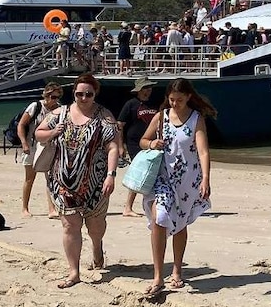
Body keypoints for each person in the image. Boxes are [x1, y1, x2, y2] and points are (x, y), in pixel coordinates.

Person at [35, 73, 119, 289]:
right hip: (62, 181)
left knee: (95, 226)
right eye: (79, 94)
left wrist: (111, 175)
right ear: (74, 93)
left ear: (95, 94)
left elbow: (113, 147)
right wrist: (54, 131)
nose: (83, 98)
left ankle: (97, 246)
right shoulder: (60, 113)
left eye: (88, 94)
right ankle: (74, 272)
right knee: (69, 226)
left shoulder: (104, 116)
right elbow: (38, 133)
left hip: (96, 184)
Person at [140, 78, 215, 297]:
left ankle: (177, 270)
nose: (174, 104)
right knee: (159, 218)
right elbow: (143, 140)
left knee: (180, 223)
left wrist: (206, 179)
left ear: (189, 97)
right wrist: (152, 143)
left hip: (187, 180)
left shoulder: (196, 118)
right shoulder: (161, 117)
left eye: (179, 100)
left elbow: (203, 152)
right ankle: (157, 276)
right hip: (162, 178)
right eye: (171, 100)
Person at [17, 83, 62, 218]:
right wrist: (24, 143)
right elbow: (21, 125)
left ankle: (51, 209)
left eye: (58, 97)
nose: (55, 100)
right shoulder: (35, 106)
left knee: (50, 178)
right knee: (30, 178)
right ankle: (24, 208)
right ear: (46, 96)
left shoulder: (59, 109)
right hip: (32, 146)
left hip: (49, 147)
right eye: (53, 97)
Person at [116, 78, 158, 217]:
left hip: (151, 142)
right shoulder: (131, 104)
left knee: (153, 172)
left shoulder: (155, 104)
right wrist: (121, 146)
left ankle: (153, 204)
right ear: (139, 90)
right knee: (138, 173)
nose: (148, 90)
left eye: (150, 88)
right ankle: (128, 207)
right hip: (134, 143)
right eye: (145, 88)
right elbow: (120, 125)